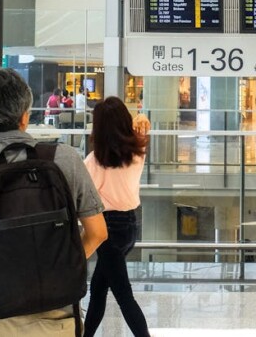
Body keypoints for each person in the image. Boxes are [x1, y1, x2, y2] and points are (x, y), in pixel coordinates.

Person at [0, 68, 107, 336]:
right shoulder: (64, 158)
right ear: (24, 116)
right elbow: (98, 232)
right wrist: (56, 269)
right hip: (54, 314)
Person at [83, 97, 152, 337]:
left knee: (124, 296)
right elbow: (141, 124)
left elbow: (83, 197)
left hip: (106, 230)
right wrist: (140, 119)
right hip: (130, 226)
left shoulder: (93, 162)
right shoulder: (138, 152)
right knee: (98, 289)